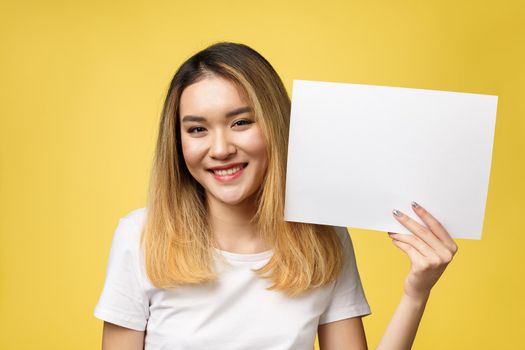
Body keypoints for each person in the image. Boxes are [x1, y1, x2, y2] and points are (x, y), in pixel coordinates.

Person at [94, 42, 458, 350]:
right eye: (197, 129)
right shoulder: (140, 236)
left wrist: (415, 294)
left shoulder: (322, 240)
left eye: (241, 122)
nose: (220, 149)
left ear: (275, 126)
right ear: (178, 142)